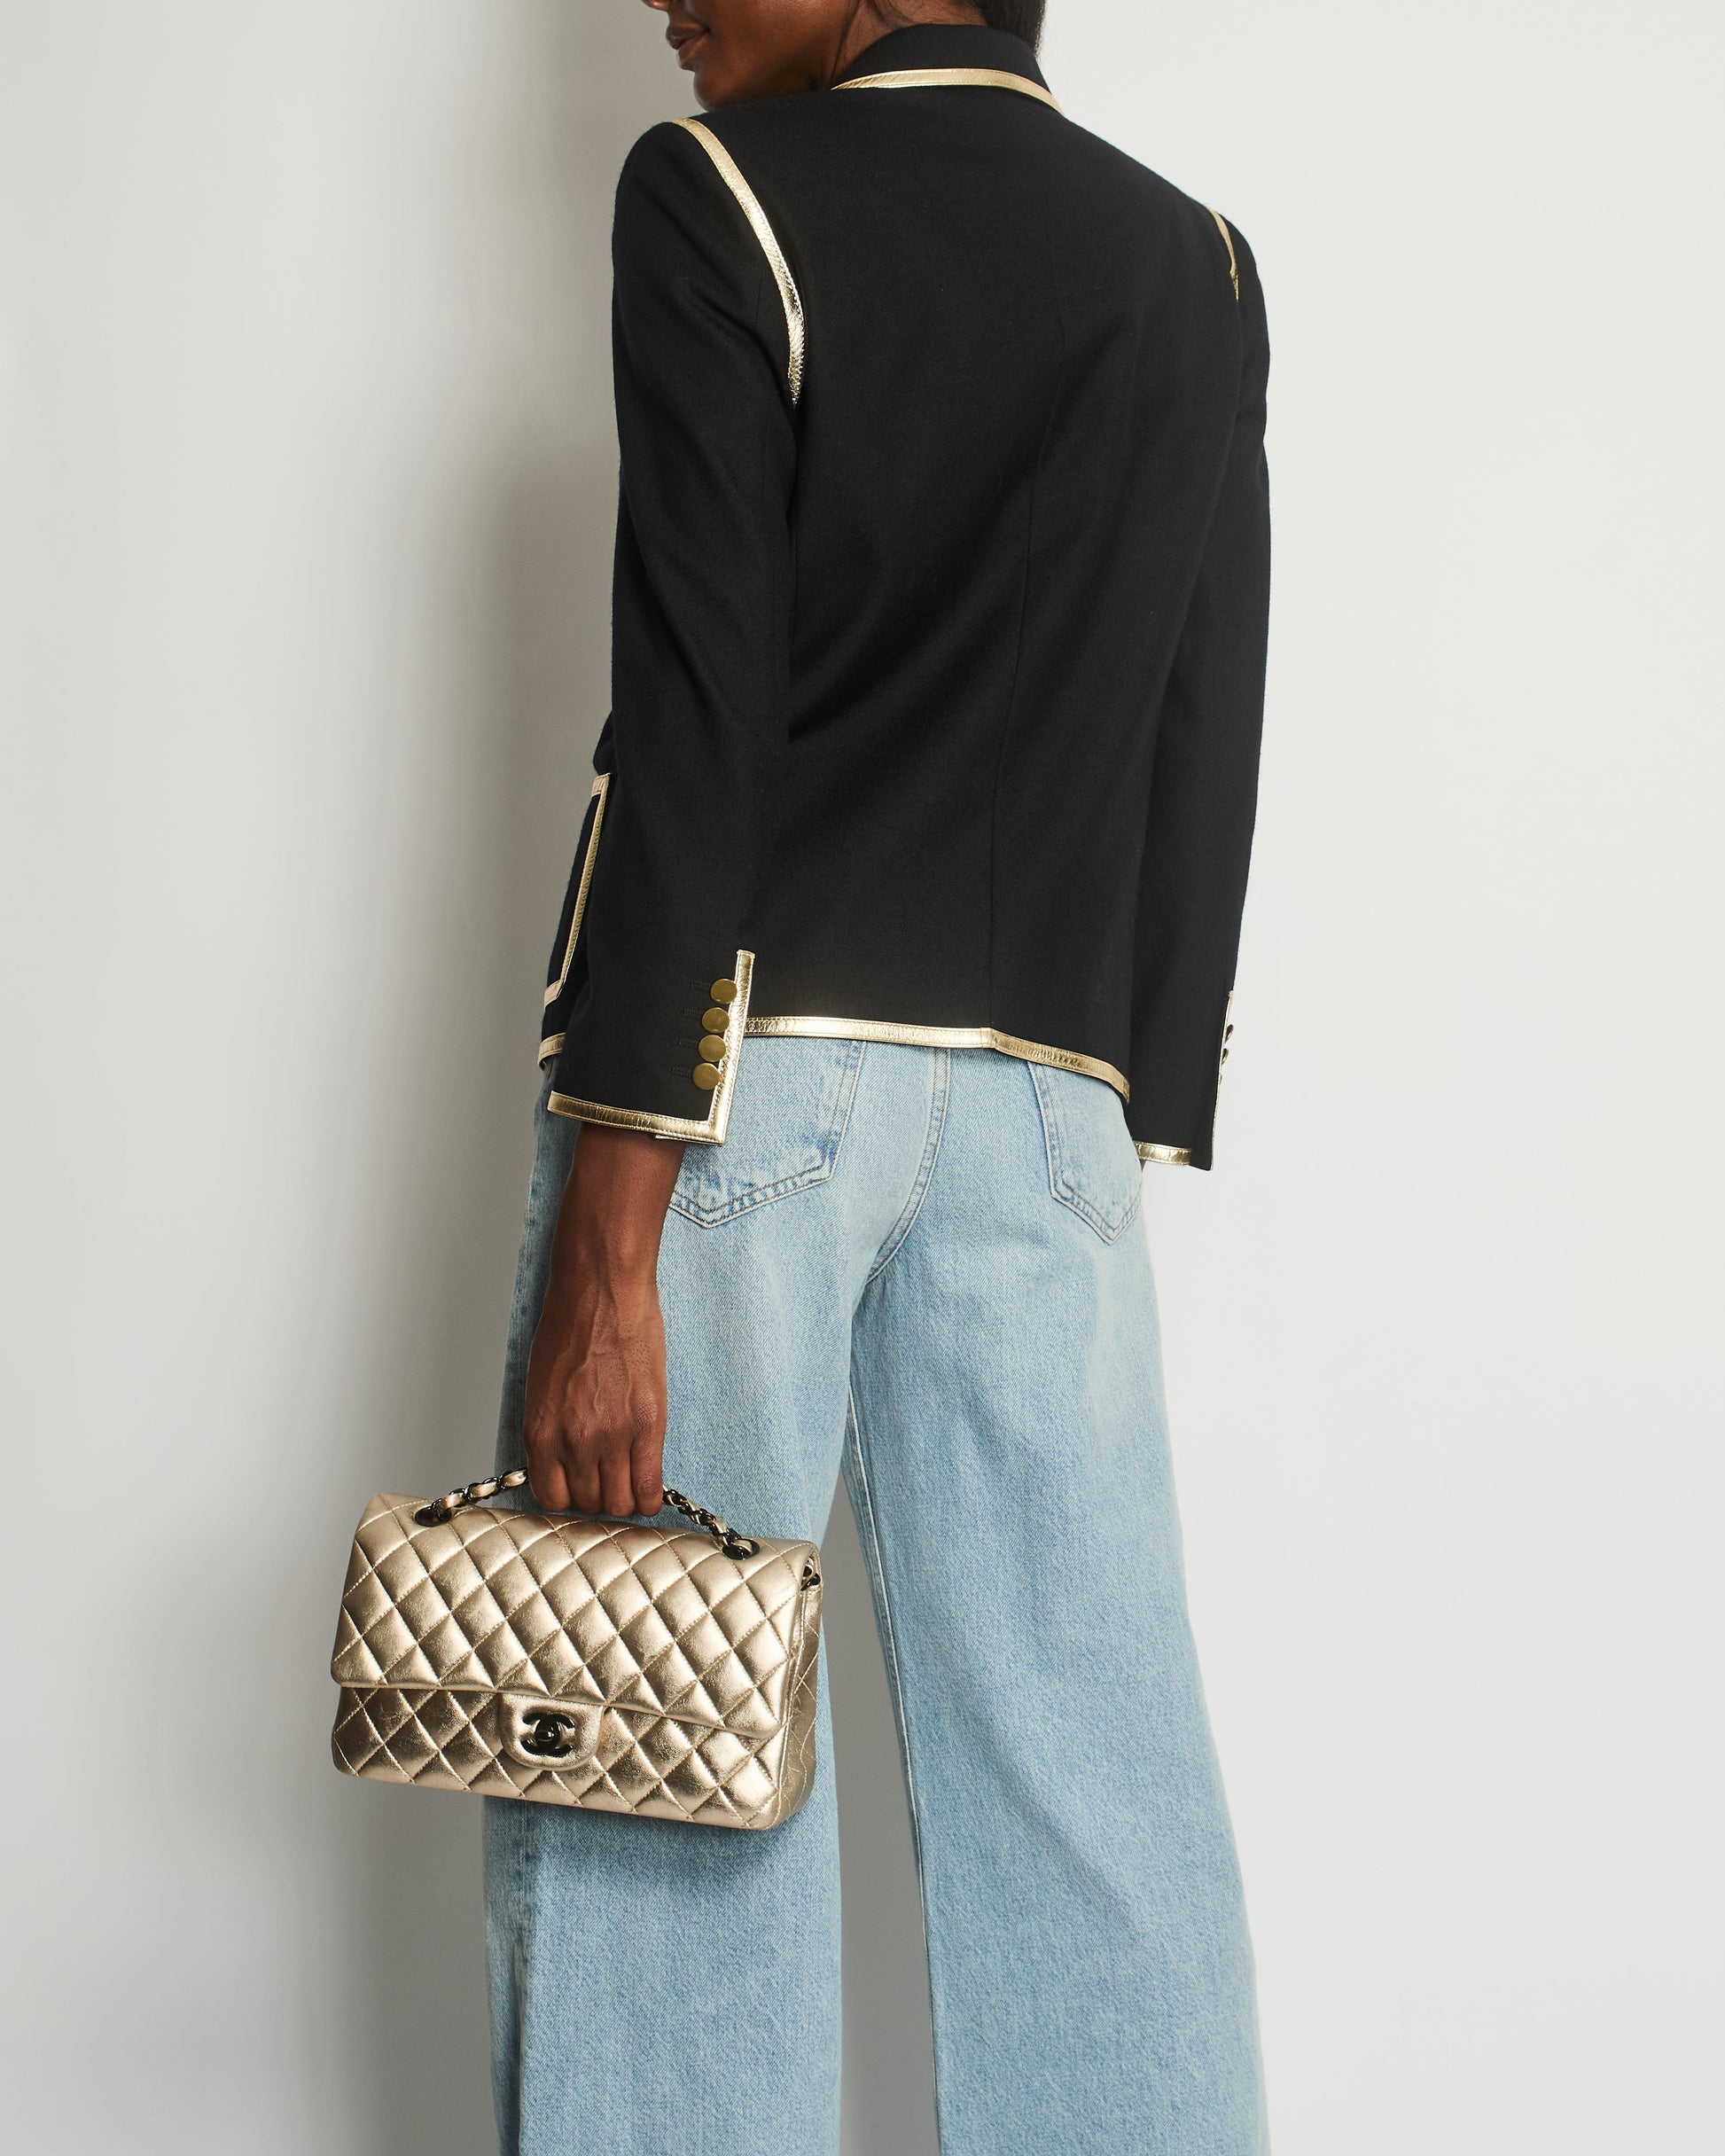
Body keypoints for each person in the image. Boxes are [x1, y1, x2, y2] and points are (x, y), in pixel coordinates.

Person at [486, 0, 1271, 2148]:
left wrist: (610, 1246)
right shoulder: (1196, 265)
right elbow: (1201, 729)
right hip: (1053, 1111)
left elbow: (695, 727)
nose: (664, 1)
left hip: (736, 1100)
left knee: (654, 1764)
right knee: (1091, 1797)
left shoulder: (723, 196)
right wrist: (1113, 1120)